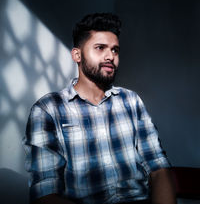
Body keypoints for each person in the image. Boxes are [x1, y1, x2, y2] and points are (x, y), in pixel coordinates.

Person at [23, 13, 177, 204]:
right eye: (100, 48)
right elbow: (45, 193)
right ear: (77, 55)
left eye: (115, 50)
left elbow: (158, 168)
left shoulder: (131, 101)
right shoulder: (48, 109)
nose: (110, 56)